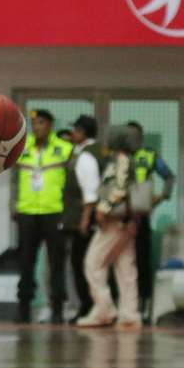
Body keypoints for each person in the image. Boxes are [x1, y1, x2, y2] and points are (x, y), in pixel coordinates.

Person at [77, 127, 141, 329]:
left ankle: (104, 311)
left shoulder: (121, 159)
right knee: (125, 268)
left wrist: (103, 208)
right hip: (127, 221)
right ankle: (130, 315)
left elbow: (120, 187)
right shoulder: (124, 159)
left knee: (93, 263)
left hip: (115, 222)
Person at [14, 110, 72, 324]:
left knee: (56, 263)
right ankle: (23, 307)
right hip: (27, 212)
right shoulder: (22, 147)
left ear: (50, 125)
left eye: (41, 123)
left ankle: (57, 308)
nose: (36, 127)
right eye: (34, 123)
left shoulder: (64, 149)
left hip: (53, 212)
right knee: (26, 262)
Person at [125, 121, 175, 323]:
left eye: (135, 135)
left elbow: (169, 177)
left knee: (142, 261)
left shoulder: (150, 155)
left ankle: (144, 303)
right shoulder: (118, 155)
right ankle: (124, 304)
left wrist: (162, 196)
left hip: (141, 217)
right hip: (120, 217)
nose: (131, 139)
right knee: (121, 263)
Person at [62, 116, 101, 324]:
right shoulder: (97, 152)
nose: (73, 134)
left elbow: (90, 191)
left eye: (76, 130)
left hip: (84, 221)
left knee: (82, 264)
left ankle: (88, 306)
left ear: (83, 132)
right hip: (89, 219)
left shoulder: (86, 156)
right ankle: (91, 306)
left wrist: (85, 220)